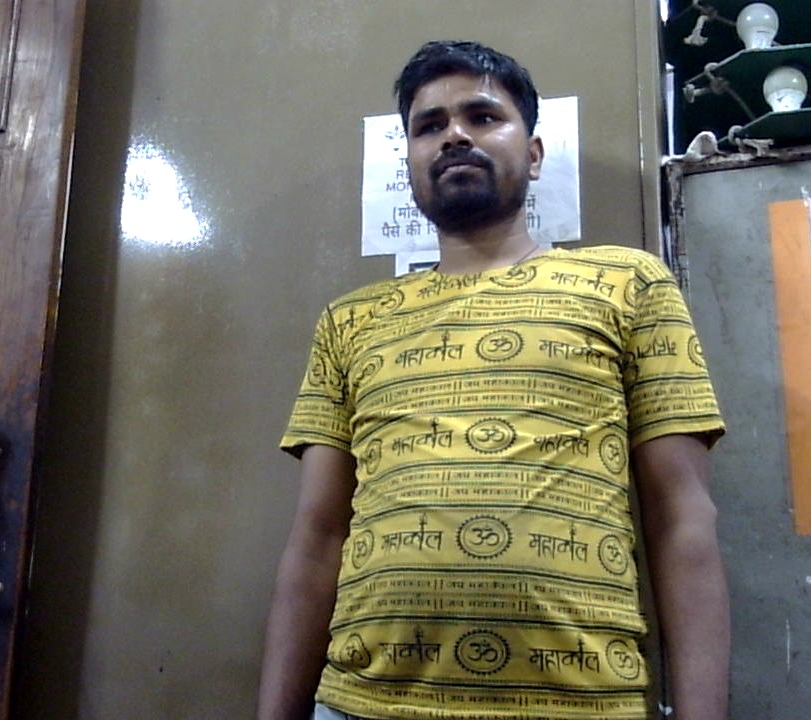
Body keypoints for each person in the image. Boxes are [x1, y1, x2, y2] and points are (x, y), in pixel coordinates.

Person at [257, 40, 728, 720]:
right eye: (430, 125)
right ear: (411, 163)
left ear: (533, 154)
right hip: (363, 703)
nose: (454, 135)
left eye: (482, 116)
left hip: (583, 705)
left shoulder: (630, 285)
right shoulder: (349, 322)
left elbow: (682, 520)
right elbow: (317, 537)